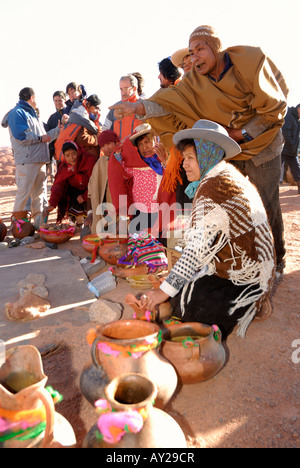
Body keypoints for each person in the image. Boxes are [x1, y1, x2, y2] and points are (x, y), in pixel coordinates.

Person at [109, 25, 288, 275]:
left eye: (199, 49)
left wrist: (238, 133)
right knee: (232, 205)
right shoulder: (194, 82)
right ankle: (242, 263)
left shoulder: (250, 62)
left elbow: (275, 109)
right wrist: (137, 107)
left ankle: (276, 262)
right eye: (191, 53)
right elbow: (169, 103)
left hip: (263, 146)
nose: (194, 58)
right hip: (231, 151)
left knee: (266, 205)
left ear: (216, 47)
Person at [141, 120, 275, 338]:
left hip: (247, 278)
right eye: (184, 158)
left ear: (207, 155)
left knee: (188, 307)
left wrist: (161, 292)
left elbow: (195, 253)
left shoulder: (213, 187)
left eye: (190, 158)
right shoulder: (222, 175)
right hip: (252, 269)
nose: (184, 164)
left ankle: (251, 305)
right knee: (181, 289)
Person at [1, 87, 60, 221]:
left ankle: (37, 224)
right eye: (36, 98)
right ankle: (19, 227)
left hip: (40, 160)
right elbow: (21, 136)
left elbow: (44, 137)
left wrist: (58, 130)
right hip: (27, 162)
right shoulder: (17, 113)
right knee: (23, 194)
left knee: (39, 195)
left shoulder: (32, 115)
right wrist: (40, 138)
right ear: (32, 98)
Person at [107, 123, 172, 235]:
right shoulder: (133, 165)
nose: (144, 147)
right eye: (140, 144)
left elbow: (172, 181)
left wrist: (164, 162)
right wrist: (117, 154)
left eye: (147, 142)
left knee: (157, 246)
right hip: (139, 212)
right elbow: (119, 173)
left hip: (159, 213)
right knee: (138, 245)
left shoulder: (165, 159)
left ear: (155, 141)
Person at [45, 141, 96, 224]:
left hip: (91, 192)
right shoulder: (64, 167)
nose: (71, 158)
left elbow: (95, 183)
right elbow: (58, 186)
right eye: (67, 155)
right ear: (64, 156)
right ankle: (78, 222)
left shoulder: (89, 161)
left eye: (73, 154)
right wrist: (52, 204)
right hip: (75, 194)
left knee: (92, 217)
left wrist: (84, 196)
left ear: (78, 152)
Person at [85, 130, 120, 234]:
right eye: (103, 146)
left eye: (109, 144)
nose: (106, 148)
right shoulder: (100, 162)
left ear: (116, 143)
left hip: (120, 215)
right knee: (87, 236)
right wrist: (90, 213)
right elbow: (91, 190)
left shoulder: (123, 160)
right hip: (102, 213)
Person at [55, 94, 102, 162]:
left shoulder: (81, 115)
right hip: (80, 158)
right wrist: (97, 138)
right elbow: (82, 138)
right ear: (88, 104)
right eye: (96, 107)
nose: (97, 111)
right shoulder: (81, 119)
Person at [102, 74, 142, 141]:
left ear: (134, 88)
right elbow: (105, 131)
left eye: (126, 88)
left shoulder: (143, 106)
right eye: (121, 89)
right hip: (120, 150)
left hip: (139, 150)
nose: (123, 92)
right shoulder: (114, 109)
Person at [45, 90, 68, 180]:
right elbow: (49, 138)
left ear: (65, 100)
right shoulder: (52, 118)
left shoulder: (71, 113)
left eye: (60, 100)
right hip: (59, 153)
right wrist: (51, 154)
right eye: (56, 101)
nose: (58, 103)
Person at [281, 104, 300, 193]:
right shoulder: (289, 115)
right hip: (283, 149)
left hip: (291, 150)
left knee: (297, 169)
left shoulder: (295, 118)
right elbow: (285, 132)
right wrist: (292, 145)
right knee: (275, 170)